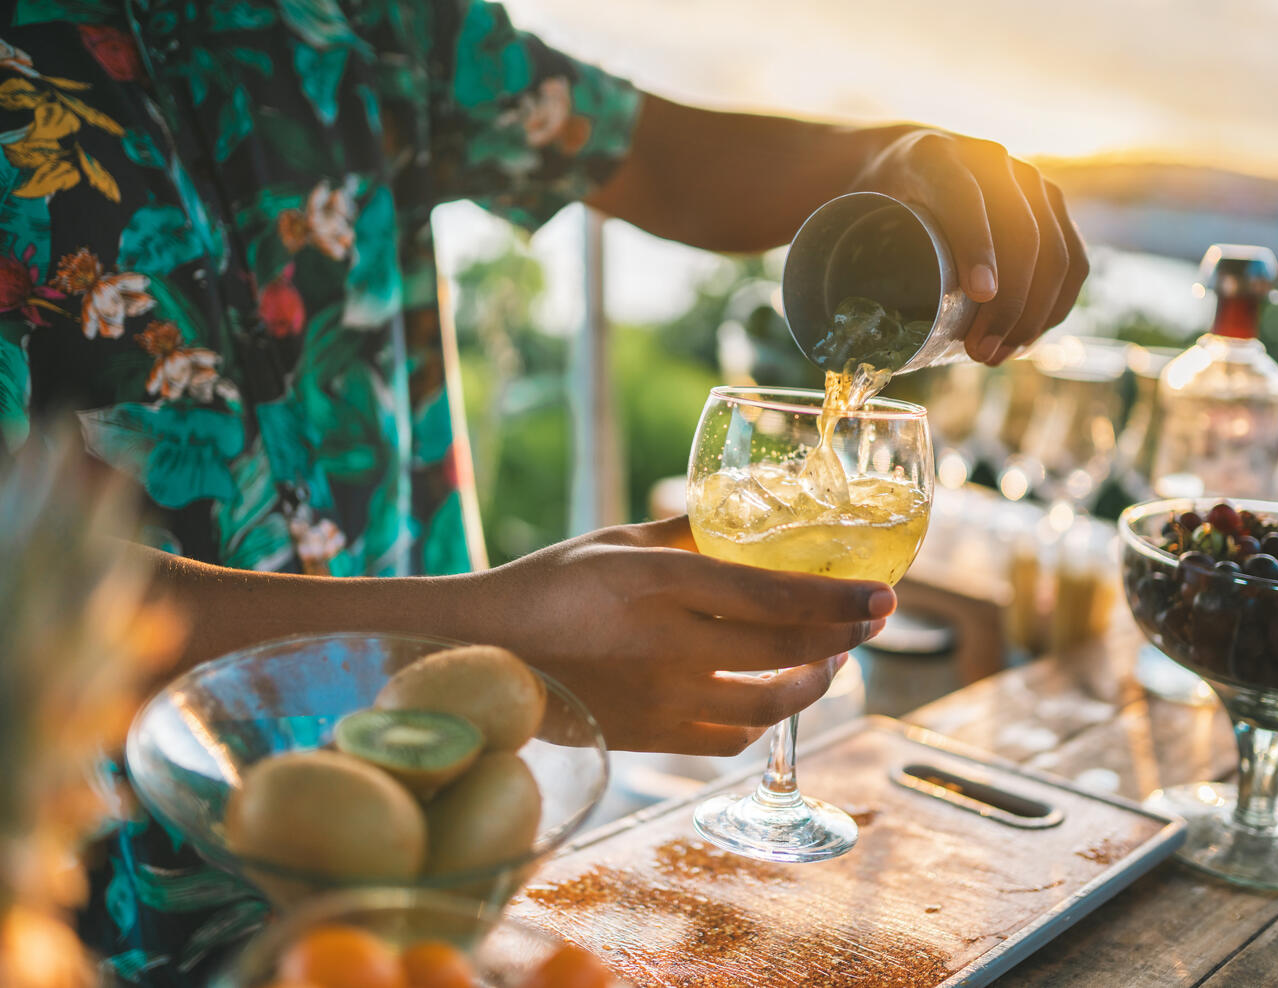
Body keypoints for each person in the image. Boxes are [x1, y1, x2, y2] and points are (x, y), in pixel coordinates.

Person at [0, 1, 1087, 982]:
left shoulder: (365, 20)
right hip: (80, 908)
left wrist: (897, 158)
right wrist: (482, 638)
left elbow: (658, 159)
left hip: (449, 869)